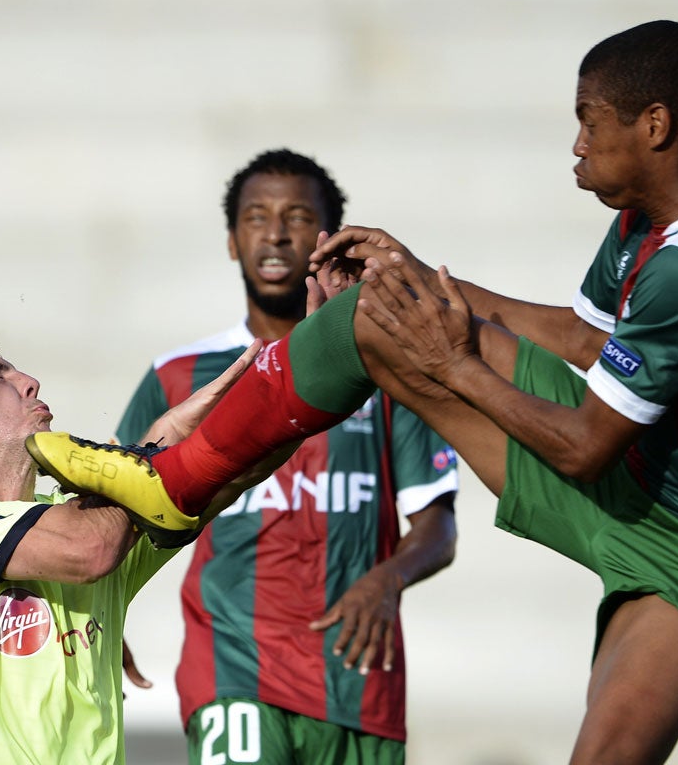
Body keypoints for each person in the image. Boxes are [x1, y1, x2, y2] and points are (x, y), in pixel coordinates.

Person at [28, 20, 678, 764]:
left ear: (654, 126)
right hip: (648, 480)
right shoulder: (655, 218)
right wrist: (409, 278)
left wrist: (457, 368)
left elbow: (585, 447)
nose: (578, 144)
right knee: (375, 313)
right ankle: (174, 479)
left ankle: (175, 478)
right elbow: (585, 340)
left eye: (590, 121)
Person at [116, 148, 459, 764]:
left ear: (331, 240)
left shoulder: (386, 371)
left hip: (359, 682)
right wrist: (104, 614)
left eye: (298, 217)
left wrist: (387, 580)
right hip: (232, 668)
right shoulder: (177, 377)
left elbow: (439, 526)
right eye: (256, 218)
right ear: (232, 241)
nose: (275, 234)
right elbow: (115, 510)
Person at [0, 322, 268, 764]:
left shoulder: (84, 515)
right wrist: (158, 447)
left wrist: (297, 376)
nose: (30, 382)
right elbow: (88, 550)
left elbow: (237, 472)